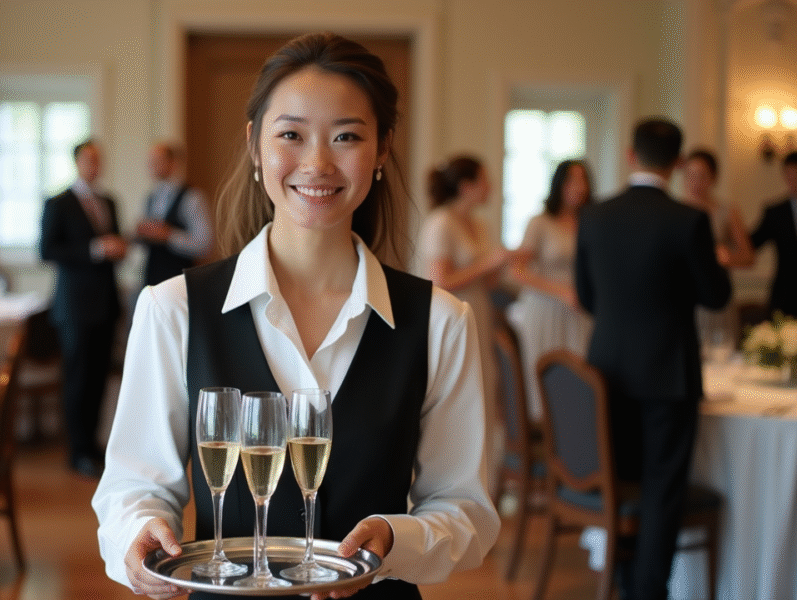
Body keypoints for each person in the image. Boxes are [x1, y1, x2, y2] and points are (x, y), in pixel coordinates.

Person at [93, 33, 499, 600]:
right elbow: (134, 486)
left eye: (347, 137)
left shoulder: (440, 321)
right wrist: (139, 534)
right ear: (256, 146)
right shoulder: (174, 309)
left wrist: (394, 537)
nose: (317, 163)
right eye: (291, 134)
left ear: (382, 150)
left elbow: (466, 510)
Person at [575, 118, 731, 600]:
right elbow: (717, 295)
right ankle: (647, 592)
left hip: (606, 369)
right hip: (668, 373)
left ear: (629, 155)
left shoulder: (595, 215)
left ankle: (621, 581)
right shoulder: (689, 219)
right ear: (678, 162)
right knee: (662, 489)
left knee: (622, 480)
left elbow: (586, 296)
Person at [40, 139, 126, 478]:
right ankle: (76, 450)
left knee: (98, 378)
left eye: (98, 158)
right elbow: (47, 250)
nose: (94, 164)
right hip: (74, 305)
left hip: (106, 301)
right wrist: (94, 248)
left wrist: (118, 248)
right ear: (77, 162)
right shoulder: (58, 202)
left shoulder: (109, 201)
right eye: (88, 159)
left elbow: (114, 243)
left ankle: (93, 443)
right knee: (77, 378)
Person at [418, 155, 509, 474]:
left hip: (480, 313)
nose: (491, 188)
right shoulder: (441, 222)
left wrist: (501, 265)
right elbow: (440, 280)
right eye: (485, 180)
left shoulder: (480, 224)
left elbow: (486, 277)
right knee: (453, 398)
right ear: (466, 186)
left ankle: (480, 483)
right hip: (450, 317)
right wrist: (488, 263)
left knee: (481, 393)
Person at [507, 159, 594, 420]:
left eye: (583, 180)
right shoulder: (540, 222)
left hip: (580, 311)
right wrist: (561, 291)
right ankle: (546, 449)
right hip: (546, 309)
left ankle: (578, 449)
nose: (578, 187)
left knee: (582, 376)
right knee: (544, 380)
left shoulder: (591, 222)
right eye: (571, 180)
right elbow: (518, 270)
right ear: (559, 185)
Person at [681, 149, 753, 350]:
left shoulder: (727, 211)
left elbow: (748, 256)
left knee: (720, 353)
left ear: (713, 178)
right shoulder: (675, 210)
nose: (695, 182)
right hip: (683, 296)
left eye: (702, 176)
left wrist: (728, 258)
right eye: (690, 176)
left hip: (716, 294)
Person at [135, 142, 213, 286]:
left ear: (173, 163)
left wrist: (169, 235)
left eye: (157, 161)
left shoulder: (192, 197)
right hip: (152, 278)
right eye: (150, 161)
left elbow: (204, 245)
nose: (151, 165)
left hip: (179, 280)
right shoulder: (151, 197)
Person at [748, 150, 797, 317]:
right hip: (785, 294)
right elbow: (752, 242)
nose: (793, 180)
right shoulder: (776, 212)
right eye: (790, 174)